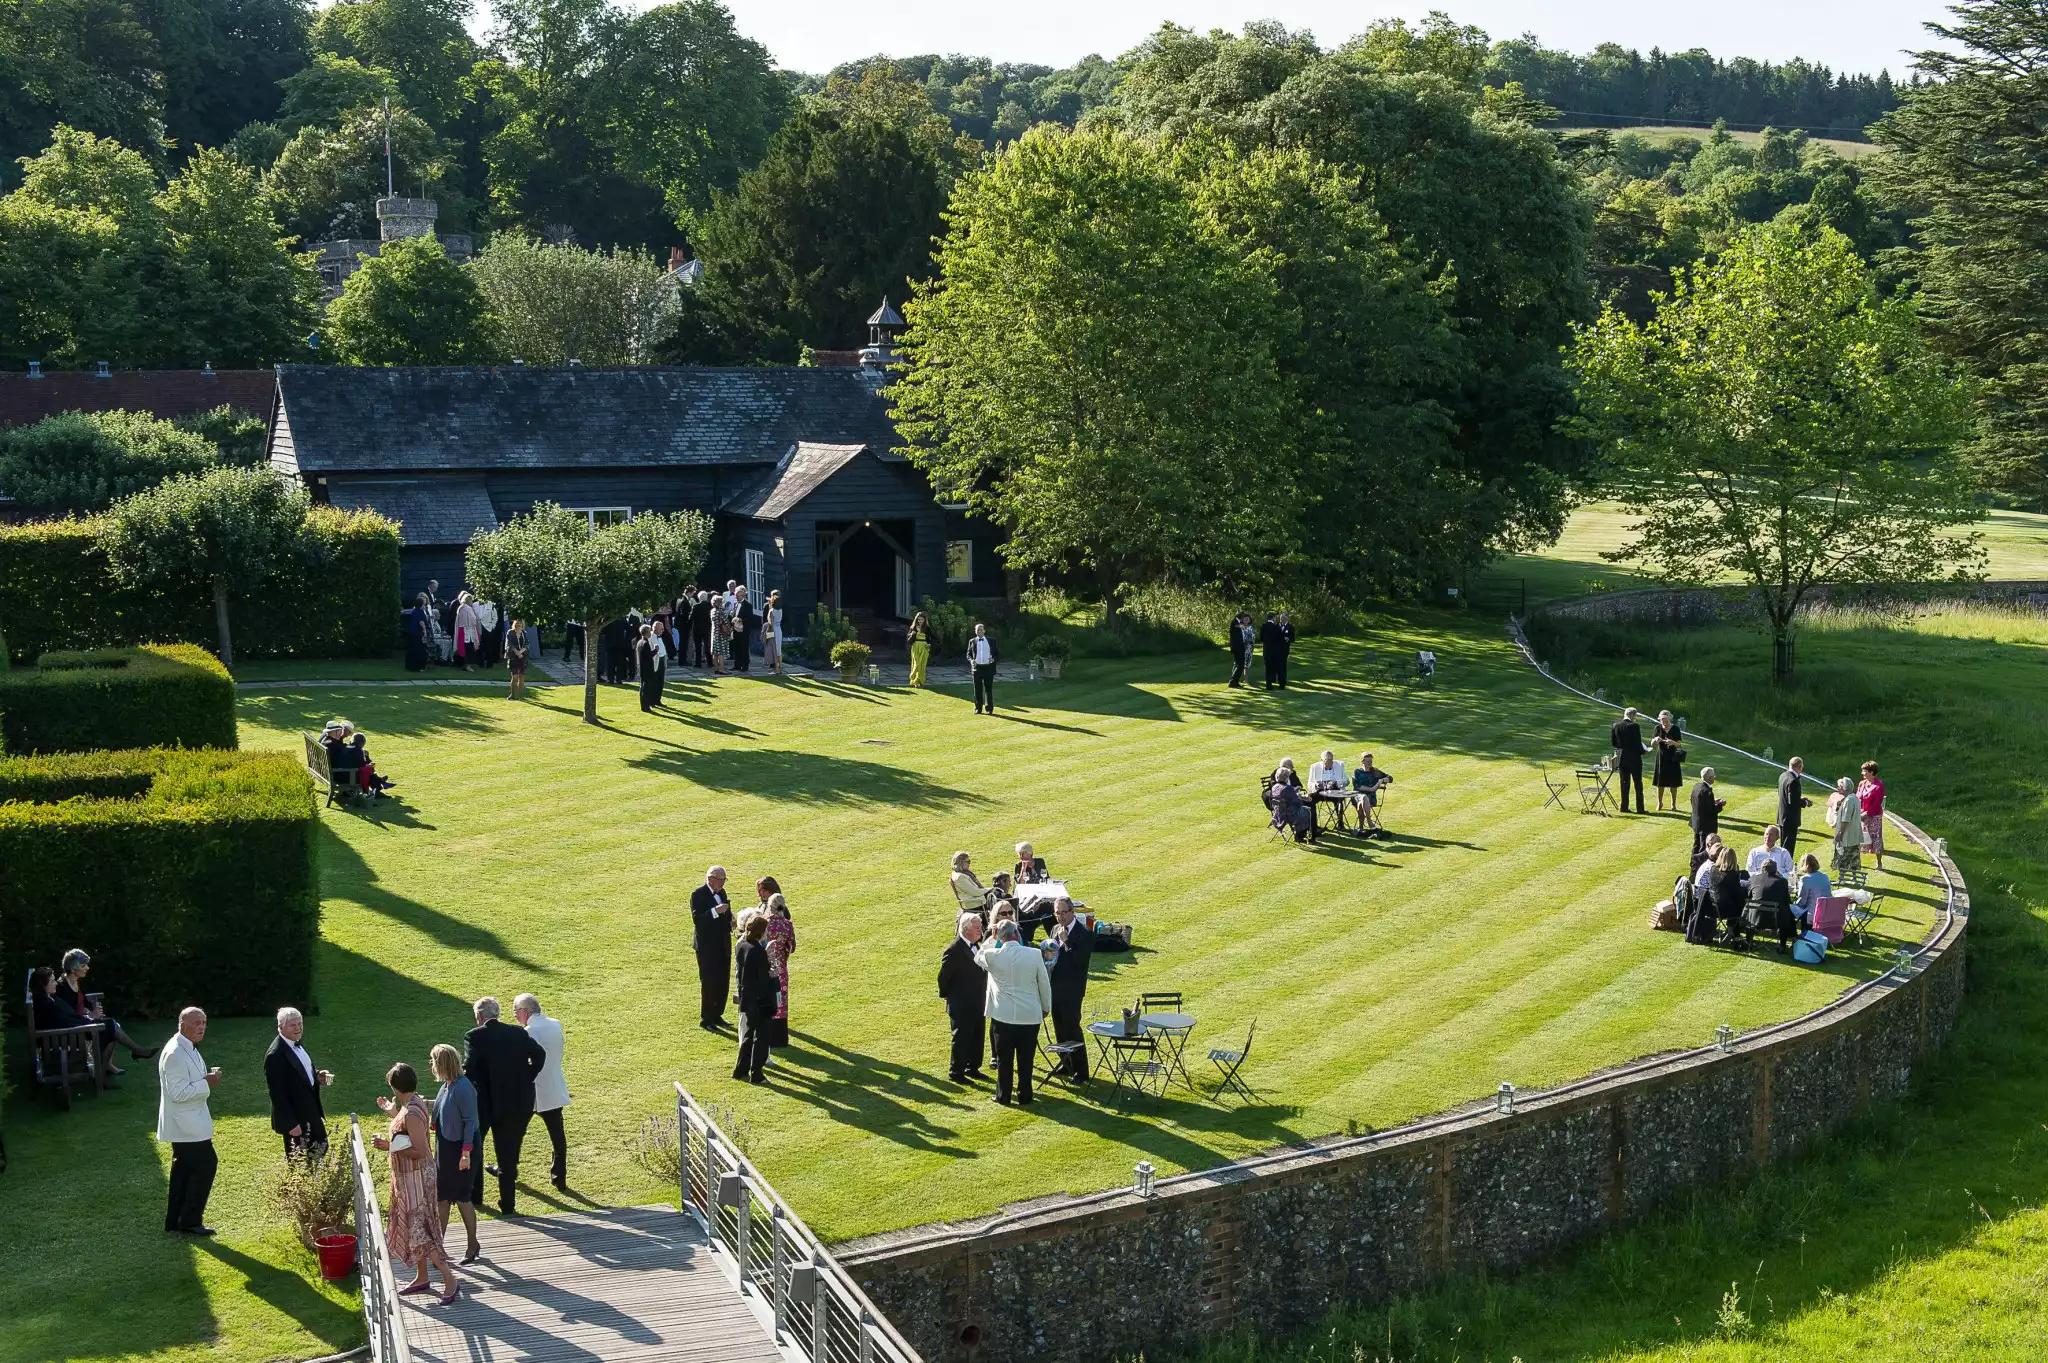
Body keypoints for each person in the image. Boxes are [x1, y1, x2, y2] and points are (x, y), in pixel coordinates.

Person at [373, 1062, 459, 1303]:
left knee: (421, 1231)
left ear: (395, 1087)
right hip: (410, 1178)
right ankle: (422, 1277)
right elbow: (408, 1132)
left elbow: (419, 1150)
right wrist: (392, 1112)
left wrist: (389, 1147)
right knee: (415, 1228)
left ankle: (450, 1280)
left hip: (416, 1179)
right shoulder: (412, 1104)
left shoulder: (411, 1112)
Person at [463, 996, 546, 1216]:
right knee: (507, 1153)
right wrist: (527, 1076)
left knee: (476, 1147)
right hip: (514, 1101)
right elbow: (539, 1054)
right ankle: (508, 1204)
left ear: (479, 1016)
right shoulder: (518, 1032)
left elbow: (469, 1068)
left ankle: (476, 1196)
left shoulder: (474, 1036)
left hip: (484, 1102)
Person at [158, 1007, 220, 1235]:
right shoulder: (175, 1053)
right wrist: (207, 1082)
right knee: (206, 1164)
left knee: (183, 1170)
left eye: (204, 1022)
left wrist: (205, 1079)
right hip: (186, 1125)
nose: (202, 1027)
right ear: (183, 1025)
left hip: (189, 1122)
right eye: (197, 1023)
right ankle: (190, 1221)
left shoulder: (186, 1047)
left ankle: (175, 1220)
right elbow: (178, 1093)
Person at [976, 920, 1052, 1106]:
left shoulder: (992, 955)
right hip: (1029, 1015)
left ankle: (1003, 1095)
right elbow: (1044, 983)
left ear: (1000, 937)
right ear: (1016, 934)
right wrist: (1046, 1007)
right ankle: (1025, 1095)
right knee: (1026, 1059)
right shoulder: (1034, 954)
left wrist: (992, 938)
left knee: (1004, 1059)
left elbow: (978, 956)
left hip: (1003, 1016)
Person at [511, 994, 569, 1192]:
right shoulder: (555, 1024)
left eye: (516, 1011)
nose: (515, 1015)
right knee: (558, 1137)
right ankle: (559, 1176)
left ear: (525, 1011)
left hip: (533, 1091)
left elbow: (525, 1061)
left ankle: (508, 1170)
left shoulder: (529, 1032)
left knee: (515, 1133)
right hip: (553, 1086)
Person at [429, 1043, 481, 1264]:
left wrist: (465, 1154)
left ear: (442, 1064)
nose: (431, 1065)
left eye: (434, 1061)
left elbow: (470, 1121)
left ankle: (472, 1244)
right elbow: (442, 1109)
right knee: (442, 1198)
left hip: (461, 1150)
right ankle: (439, 1249)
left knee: (461, 1197)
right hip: (446, 1149)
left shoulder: (462, 1087)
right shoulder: (447, 1085)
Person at [55, 949, 151, 1068]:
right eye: (84, 965)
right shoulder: (62, 988)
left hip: (82, 1023)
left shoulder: (75, 982)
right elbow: (69, 1016)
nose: (87, 968)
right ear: (74, 968)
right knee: (111, 1026)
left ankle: (108, 1065)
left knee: (112, 1026)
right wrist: (90, 1016)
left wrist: (91, 1011)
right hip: (75, 1030)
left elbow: (83, 1003)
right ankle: (136, 1051)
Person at [264, 1006, 332, 1160]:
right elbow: (276, 1093)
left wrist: (316, 1076)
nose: (298, 1028)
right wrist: (290, 1123)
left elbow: (300, 1069)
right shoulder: (275, 1055)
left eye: (300, 1024)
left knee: (321, 1145)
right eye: (293, 1025)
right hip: (295, 1117)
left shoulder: (296, 1043)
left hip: (310, 1109)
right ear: (280, 1027)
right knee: (299, 1160)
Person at [33, 965, 119, 1076]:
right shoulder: (48, 1004)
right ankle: (102, 1075)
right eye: (52, 981)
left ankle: (134, 1051)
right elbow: (66, 1022)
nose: (56, 983)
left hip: (70, 1031)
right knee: (110, 1026)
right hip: (70, 1036)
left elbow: (68, 1018)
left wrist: (87, 1017)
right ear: (43, 984)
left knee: (111, 1025)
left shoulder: (49, 998)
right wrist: (89, 1020)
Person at [938, 913, 988, 1083]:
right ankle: (956, 1072)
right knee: (961, 1038)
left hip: (978, 1001)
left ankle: (972, 1067)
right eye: (977, 928)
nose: (980, 930)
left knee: (977, 1036)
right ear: (966, 929)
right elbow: (943, 978)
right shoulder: (954, 950)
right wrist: (952, 998)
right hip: (961, 1003)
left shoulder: (976, 945)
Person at [1046, 898, 1093, 1079]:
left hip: (1072, 990)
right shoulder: (1054, 929)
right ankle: (1066, 1064)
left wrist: (1066, 942)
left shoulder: (1084, 933)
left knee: (1072, 1029)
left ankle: (1081, 1071)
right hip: (1055, 987)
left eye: (1064, 912)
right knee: (1059, 1028)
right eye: (1057, 913)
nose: (1060, 917)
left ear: (1073, 912)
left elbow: (1079, 960)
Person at [733, 913, 776, 1084]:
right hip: (760, 1001)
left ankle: (740, 1070)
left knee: (748, 1036)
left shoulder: (742, 945)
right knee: (761, 1038)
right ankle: (756, 1074)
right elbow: (764, 979)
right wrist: (773, 975)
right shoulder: (757, 951)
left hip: (747, 998)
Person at [691, 866, 735, 1029]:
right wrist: (715, 911)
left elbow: (726, 914)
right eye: (721, 880)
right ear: (711, 879)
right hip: (707, 947)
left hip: (723, 944)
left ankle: (717, 1015)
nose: (723, 883)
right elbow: (698, 920)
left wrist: (731, 921)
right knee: (709, 982)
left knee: (722, 981)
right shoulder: (698, 894)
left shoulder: (722, 893)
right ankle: (706, 1018)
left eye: (724, 880)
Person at [762, 893, 796, 1048]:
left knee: (767, 998)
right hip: (781, 966)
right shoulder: (787, 924)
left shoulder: (764, 923)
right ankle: (780, 1038)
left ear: (770, 906)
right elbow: (792, 947)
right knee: (781, 1000)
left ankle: (767, 1036)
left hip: (766, 965)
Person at [1743, 858, 1797, 953]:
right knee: (1787, 911)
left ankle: (1749, 942)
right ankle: (1783, 945)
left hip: (1754, 919)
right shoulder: (1782, 881)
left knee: (1750, 906)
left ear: (1762, 868)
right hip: (1775, 921)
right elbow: (1786, 900)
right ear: (1776, 870)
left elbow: (1749, 896)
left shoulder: (1753, 879)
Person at [1702, 845, 1747, 948]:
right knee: (1741, 903)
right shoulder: (1732, 875)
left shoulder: (1713, 869)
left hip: (1713, 907)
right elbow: (1737, 893)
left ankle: (1733, 932)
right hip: (1726, 910)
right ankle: (1735, 932)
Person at [1828, 776, 1866, 879]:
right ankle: (1855, 878)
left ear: (1845, 788)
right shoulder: (1854, 798)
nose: (1838, 788)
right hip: (1854, 835)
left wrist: (1840, 834)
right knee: (1854, 857)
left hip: (1847, 835)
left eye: (1840, 786)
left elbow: (1846, 819)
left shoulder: (1849, 800)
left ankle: (1842, 878)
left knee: (1843, 856)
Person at [1610, 707, 1647, 813]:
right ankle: (1640, 808)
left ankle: (1624, 806)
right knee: (1638, 784)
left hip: (1622, 757)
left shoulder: (1616, 725)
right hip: (1634, 757)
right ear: (1633, 715)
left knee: (1624, 783)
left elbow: (1614, 743)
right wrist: (1643, 751)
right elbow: (1637, 743)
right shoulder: (1634, 726)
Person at [1351, 753, 1393, 837]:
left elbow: (1390, 778)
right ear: (1362, 761)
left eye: (1371, 761)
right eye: (1368, 761)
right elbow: (1356, 786)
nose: (1370, 763)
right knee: (1363, 798)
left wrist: (1381, 781)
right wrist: (1371, 789)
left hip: (1371, 798)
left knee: (1362, 803)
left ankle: (1361, 827)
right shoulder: (1357, 771)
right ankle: (1370, 823)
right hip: (1357, 796)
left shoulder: (1375, 772)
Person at [1651, 711, 1686, 810]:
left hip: (1673, 757)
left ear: (1669, 718)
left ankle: (1673, 804)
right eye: (1662, 719)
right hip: (1661, 757)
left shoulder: (1675, 729)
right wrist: (1655, 740)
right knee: (1660, 781)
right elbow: (1652, 742)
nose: (1663, 721)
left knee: (1673, 782)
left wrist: (1672, 742)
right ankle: (1659, 802)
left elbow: (1679, 744)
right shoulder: (1657, 728)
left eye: (1665, 719)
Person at [1777, 758, 1812, 853]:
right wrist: (1805, 802)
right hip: (1790, 819)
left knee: (1783, 845)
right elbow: (1793, 801)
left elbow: (1784, 794)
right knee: (1788, 847)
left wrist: (1799, 798)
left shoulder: (1783, 776)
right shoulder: (1793, 780)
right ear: (1799, 766)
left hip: (1782, 816)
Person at [1690, 767, 1723, 863]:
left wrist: (1713, 802)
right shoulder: (1707, 791)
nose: (1715, 777)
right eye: (1713, 776)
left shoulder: (1697, 786)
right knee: (1704, 848)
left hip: (1697, 823)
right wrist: (1720, 805)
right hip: (1706, 825)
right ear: (1709, 778)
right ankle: (1700, 866)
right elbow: (1712, 810)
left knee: (1696, 845)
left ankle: (1693, 864)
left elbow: (1695, 802)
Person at [1859, 761, 1887, 872]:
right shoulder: (1861, 784)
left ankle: (1879, 862)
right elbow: (1858, 797)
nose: (1862, 773)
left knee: (1876, 838)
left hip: (1874, 816)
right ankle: (1857, 860)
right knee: (1860, 837)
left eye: (1864, 771)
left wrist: (1867, 814)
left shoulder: (1879, 786)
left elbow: (1877, 803)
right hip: (1861, 815)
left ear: (1871, 772)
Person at [950, 851, 992, 917]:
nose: (969, 863)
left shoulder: (962, 873)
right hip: (975, 904)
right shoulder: (959, 877)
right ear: (961, 862)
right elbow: (976, 892)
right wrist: (990, 889)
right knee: (999, 897)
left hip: (976, 901)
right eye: (968, 861)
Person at [1795, 852, 1833, 927]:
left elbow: (1802, 901)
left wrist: (1794, 904)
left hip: (1812, 914)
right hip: (1826, 913)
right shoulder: (1825, 876)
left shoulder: (1805, 879)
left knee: (1789, 908)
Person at [968, 623, 998, 713]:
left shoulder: (991, 641)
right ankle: (978, 708)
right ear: (975, 631)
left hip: (988, 668)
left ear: (984, 631)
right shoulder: (972, 641)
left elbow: (997, 653)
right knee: (977, 690)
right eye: (977, 630)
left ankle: (989, 709)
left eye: (981, 629)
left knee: (988, 689)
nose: (979, 631)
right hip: (977, 668)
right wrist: (971, 661)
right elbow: (968, 654)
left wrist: (993, 659)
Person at [636, 623, 665, 711]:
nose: (650, 633)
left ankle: (645, 705)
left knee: (643, 688)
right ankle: (645, 707)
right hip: (647, 669)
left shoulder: (640, 642)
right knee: (646, 688)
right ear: (646, 632)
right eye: (649, 631)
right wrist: (656, 650)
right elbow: (648, 656)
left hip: (642, 668)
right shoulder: (645, 643)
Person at [403, 593, 432, 672]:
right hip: (418, 633)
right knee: (420, 650)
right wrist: (425, 632)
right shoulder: (420, 611)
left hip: (412, 632)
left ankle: (410, 665)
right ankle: (419, 666)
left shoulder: (414, 611)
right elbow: (421, 622)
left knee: (412, 649)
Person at [453, 592, 481, 671]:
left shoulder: (463, 607)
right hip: (466, 630)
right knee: (468, 648)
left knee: (467, 647)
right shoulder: (466, 608)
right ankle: (467, 665)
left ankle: (467, 664)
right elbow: (472, 619)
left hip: (466, 630)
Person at [1259, 612, 1287, 689]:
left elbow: (1261, 638)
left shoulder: (1263, 626)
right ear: (1273, 618)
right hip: (1276, 651)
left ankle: (1268, 684)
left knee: (1268, 668)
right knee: (1278, 668)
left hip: (1267, 650)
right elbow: (1281, 638)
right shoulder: (1276, 627)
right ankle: (1281, 684)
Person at [1228, 611, 1256, 687]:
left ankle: (1235, 681)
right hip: (1238, 647)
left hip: (1241, 647)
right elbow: (1235, 626)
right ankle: (1233, 681)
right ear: (1241, 617)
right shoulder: (1235, 622)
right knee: (1240, 664)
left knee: (1240, 664)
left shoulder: (1238, 623)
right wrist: (1241, 626)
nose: (1244, 619)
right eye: (1244, 617)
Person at [733, 586, 757, 673]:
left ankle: (745, 666)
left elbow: (750, 618)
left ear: (743, 595)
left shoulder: (748, 605)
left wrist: (740, 620)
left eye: (738, 596)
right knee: (737, 647)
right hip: (736, 629)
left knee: (744, 648)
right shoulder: (736, 604)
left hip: (744, 630)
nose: (736, 597)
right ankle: (737, 665)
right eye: (736, 596)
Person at [506, 619, 530, 700]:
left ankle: (520, 696)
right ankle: (512, 694)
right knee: (515, 676)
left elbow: (527, 644)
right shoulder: (510, 632)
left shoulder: (524, 633)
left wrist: (521, 652)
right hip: (513, 657)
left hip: (522, 657)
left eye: (520, 624)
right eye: (517, 624)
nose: (518, 625)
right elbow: (510, 644)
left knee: (521, 676)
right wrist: (517, 652)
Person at [708, 591, 731, 675]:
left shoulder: (712, 611)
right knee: (721, 652)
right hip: (721, 633)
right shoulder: (721, 612)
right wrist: (730, 629)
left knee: (715, 652)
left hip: (714, 633)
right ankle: (722, 669)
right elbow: (726, 622)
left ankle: (716, 668)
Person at [907, 611, 931, 687]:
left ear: (924, 620)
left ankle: (920, 681)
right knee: (916, 664)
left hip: (924, 647)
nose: (920, 621)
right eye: (919, 619)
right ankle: (913, 679)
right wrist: (912, 634)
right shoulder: (913, 627)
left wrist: (929, 644)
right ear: (916, 619)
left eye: (922, 619)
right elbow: (908, 639)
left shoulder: (927, 628)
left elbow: (930, 638)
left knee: (922, 664)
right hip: (915, 646)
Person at [762, 590, 784, 676]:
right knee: (779, 651)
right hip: (779, 630)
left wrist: (767, 635)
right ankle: (780, 667)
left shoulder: (772, 611)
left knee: (774, 650)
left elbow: (771, 624)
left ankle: (777, 670)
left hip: (773, 630)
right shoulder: (780, 610)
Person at [689, 590, 713, 668]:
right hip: (707, 628)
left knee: (698, 647)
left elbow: (691, 617)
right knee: (707, 646)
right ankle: (709, 662)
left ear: (699, 598)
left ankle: (698, 663)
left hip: (697, 629)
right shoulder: (710, 606)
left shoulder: (696, 606)